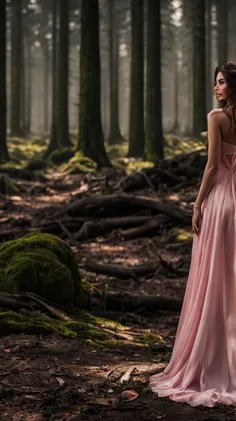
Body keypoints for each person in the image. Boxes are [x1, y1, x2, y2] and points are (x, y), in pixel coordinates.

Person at [148, 62, 236, 407]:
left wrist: (198, 204)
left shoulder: (217, 117)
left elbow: (213, 166)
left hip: (222, 205)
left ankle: (211, 356)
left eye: (220, 83)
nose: (215, 88)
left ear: (231, 86)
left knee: (215, 278)